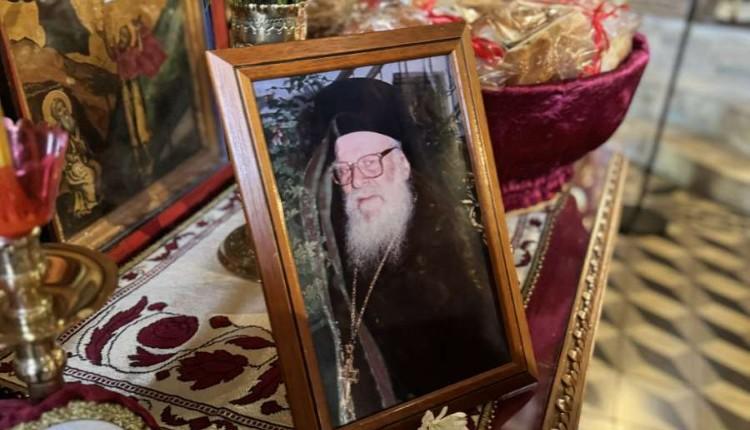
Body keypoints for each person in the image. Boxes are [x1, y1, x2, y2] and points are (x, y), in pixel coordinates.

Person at [307, 78, 510, 425]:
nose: (357, 181)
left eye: (370, 163)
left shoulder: (445, 236)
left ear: (402, 164)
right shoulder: (342, 224)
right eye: (344, 170)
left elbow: (475, 355)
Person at [43, 90, 101, 218]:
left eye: (63, 107)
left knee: (96, 167)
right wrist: (69, 158)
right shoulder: (58, 131)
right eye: (59, 110)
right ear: (55, 115)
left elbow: (81, 143)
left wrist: (81, 145)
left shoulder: (72, 124)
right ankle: (90, 204)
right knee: (88, 175)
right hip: (70, 166)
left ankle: (88, 203)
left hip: (81, 159)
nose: (63, 111)